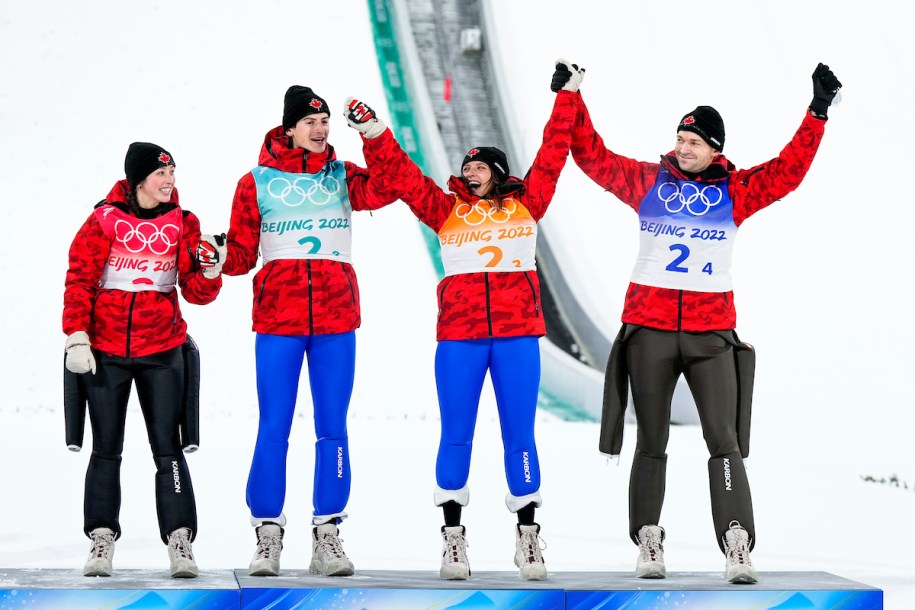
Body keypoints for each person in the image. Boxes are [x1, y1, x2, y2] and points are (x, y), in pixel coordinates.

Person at [552, 62, 842, 584]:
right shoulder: (647, 181)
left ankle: (736, 542)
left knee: (723, 441)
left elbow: (787, 172)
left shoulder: (735, 190)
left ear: (716, 149)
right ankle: (648, 541)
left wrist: (817, 112)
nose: (684, 147)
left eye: (695, 141)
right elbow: (590, 156)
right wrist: (572, 97)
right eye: (680, 138)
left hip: (711, 336)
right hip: (651, 332)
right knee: (652, 442)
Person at [341, 59, 583, 581]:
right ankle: (453, 539)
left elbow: (552, 155)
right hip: (461, 339)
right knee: (456, 433)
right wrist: (374, 130)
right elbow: (404, 177)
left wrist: (566, 97)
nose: (469, 171)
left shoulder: (528, 202)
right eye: (465, 166)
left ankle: (528, 537)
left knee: (520, 434)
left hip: (517, 336)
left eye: (479, 166)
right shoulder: (445, 208)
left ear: (497, 172)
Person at [199, 85, 400, 578]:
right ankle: (267, 534)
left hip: (336, 320)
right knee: (275, 427)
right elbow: (244, 257)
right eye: (311, 122)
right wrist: (220, 258)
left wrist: (373, 134)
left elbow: (393, 184)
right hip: (278, 321)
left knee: (333, 428)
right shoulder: (256, 182)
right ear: (289, 127)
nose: (321, 129)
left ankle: (327, 533)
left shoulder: (343, 176)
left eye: (326, 121)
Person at [62, 142, 222, 578]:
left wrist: (209, 271)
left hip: (163, 351)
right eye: (161, 174)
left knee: (168, 449)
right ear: (138, 180)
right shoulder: (103, 219)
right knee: (106, 449)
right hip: (107, 352)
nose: (170, 180)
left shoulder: (185, 223)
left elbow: (196, 293)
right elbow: (78, 279)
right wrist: (77, 336)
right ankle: (101, 539)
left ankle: (180, 541)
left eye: (172, 173)